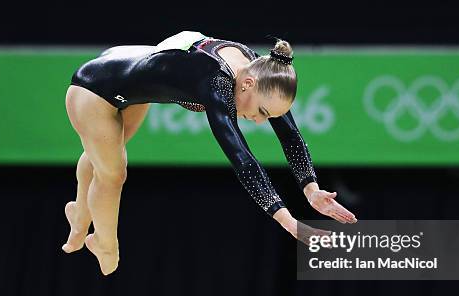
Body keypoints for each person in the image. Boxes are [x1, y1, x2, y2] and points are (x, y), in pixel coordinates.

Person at [62, 31, 357, 275]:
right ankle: (104, 243)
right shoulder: (215, 81)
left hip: (127, 70)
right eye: (262, 112)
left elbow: (290, 134)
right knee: (113, 173)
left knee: (104, 149)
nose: (259, 120)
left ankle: (79, 216)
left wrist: (311, 189)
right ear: (248, 84)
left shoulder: (261, 68)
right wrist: (290, 223)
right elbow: (243, 160)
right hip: (94, 89)